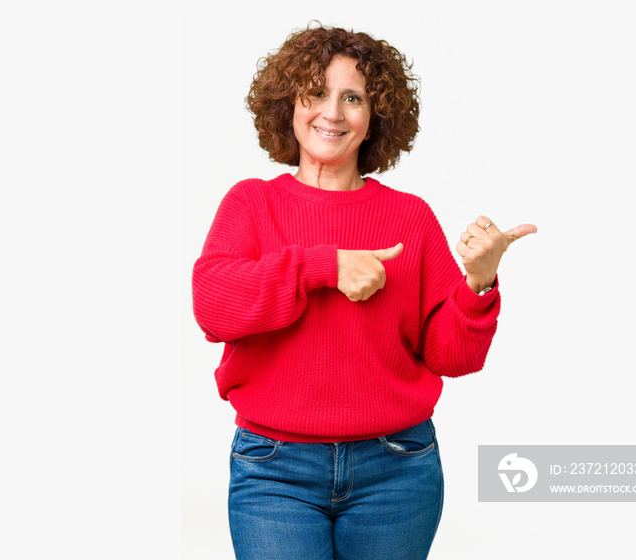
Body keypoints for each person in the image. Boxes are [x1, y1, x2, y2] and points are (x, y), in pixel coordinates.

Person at [192, 22, 536, 560]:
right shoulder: (251, 203)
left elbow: (453, 355)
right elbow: (214, 307)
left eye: (352, 98)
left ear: (375, 116)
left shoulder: (409, 216)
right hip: (274, 468)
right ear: (289, 104)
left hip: (396, 469)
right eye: (316, 93)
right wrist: (323, 266)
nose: (332, 112)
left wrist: (479, 282)